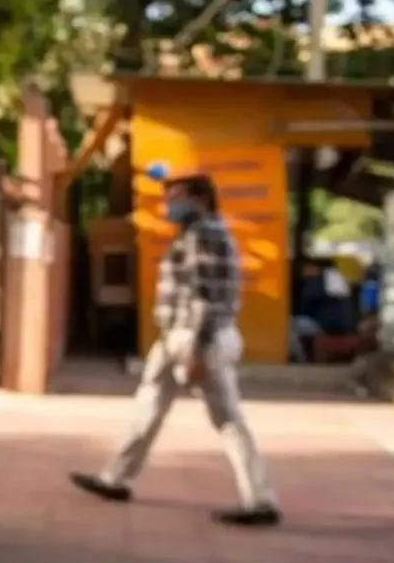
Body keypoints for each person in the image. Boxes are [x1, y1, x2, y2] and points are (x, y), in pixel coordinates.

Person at [69, 169, 282, 527]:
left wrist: (197, 347)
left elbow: (205, 296)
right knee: (149, 406)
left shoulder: (205, 234)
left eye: (176, 198)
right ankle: (115, 478)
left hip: (196, 338)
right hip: (177, 337)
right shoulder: (193, 233)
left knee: (227, 418)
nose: (169, 205)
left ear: (200, 199)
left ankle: (260, 499)